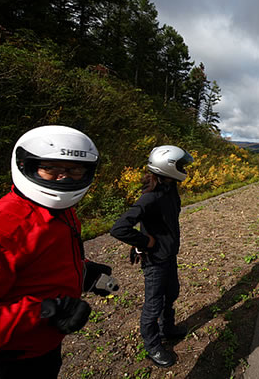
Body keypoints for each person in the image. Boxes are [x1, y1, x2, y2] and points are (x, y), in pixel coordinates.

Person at [0, 125, 115, 378]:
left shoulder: (60, 212)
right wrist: (42, 312)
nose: (64, 178)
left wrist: (83, 271)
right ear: (26, 165)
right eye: (51, 168)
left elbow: (36, 260)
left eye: (75, 170)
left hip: (38, 353)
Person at [110, 145, 194, 368]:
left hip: (169, 255)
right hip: (155, 261)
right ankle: (153, 346)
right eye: (180, 165)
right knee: (153, 305)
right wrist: (143, 241)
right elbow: (119, 228)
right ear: (168, 167)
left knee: (172, 292)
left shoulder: (170, 187)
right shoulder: (150, 197)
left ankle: (168, 328)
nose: (184, 169)